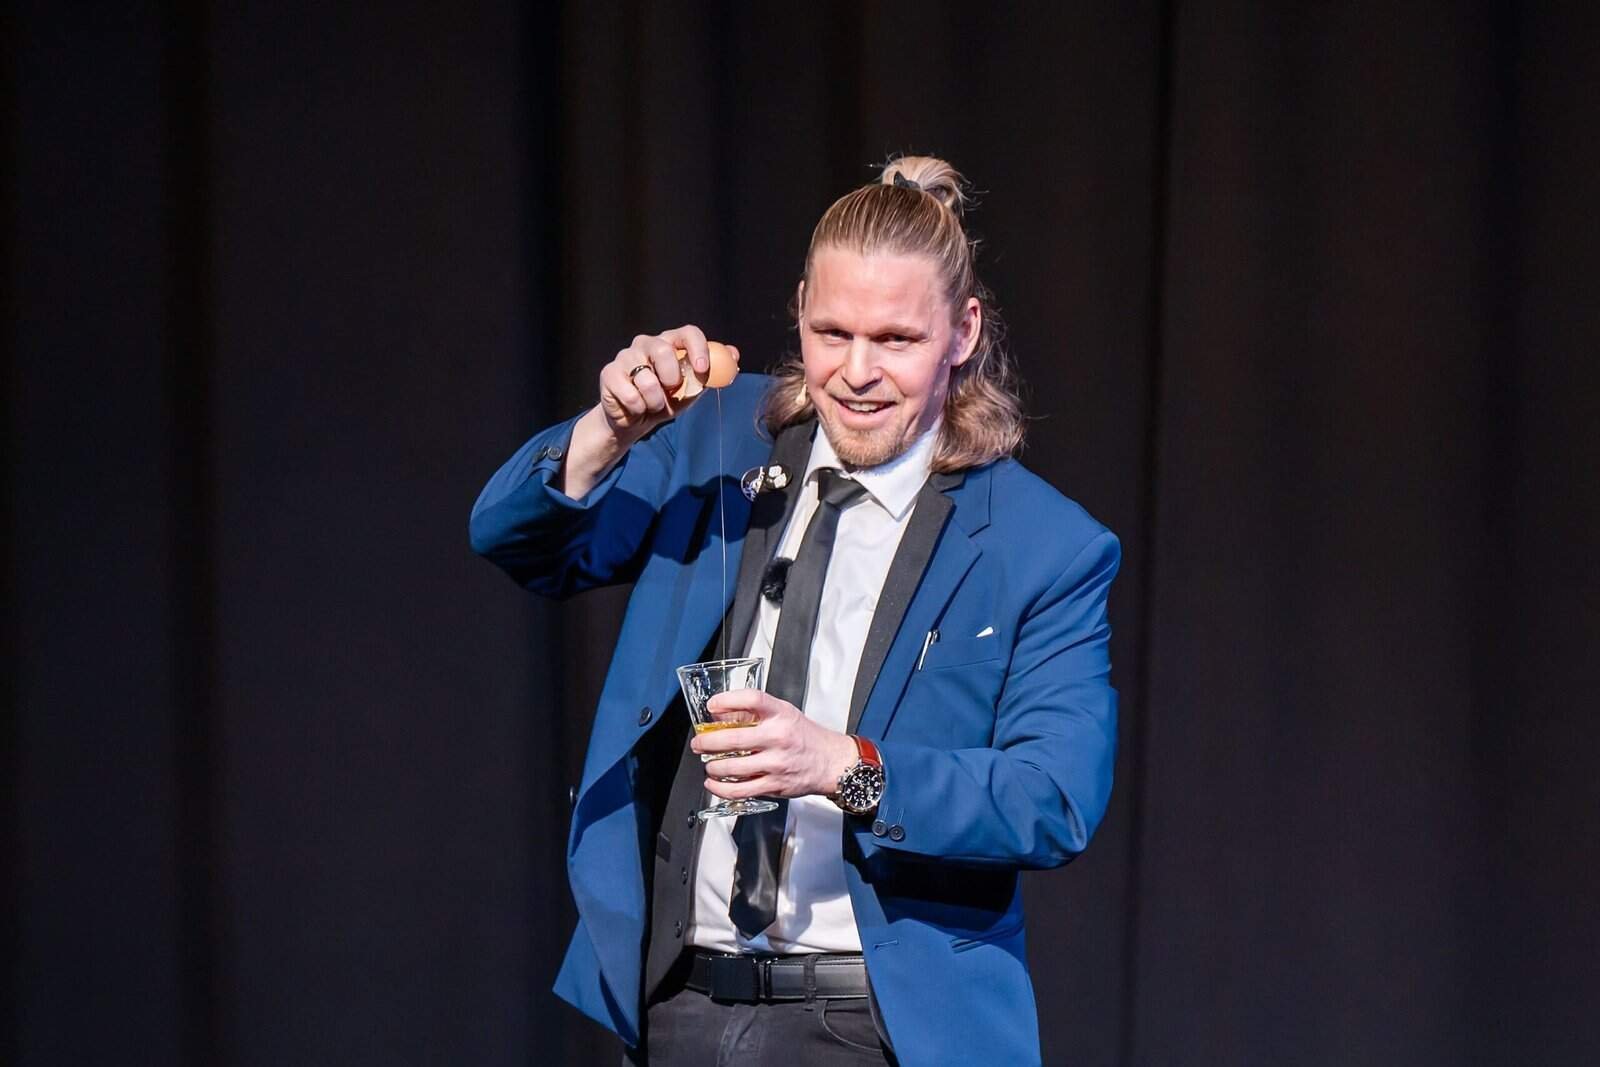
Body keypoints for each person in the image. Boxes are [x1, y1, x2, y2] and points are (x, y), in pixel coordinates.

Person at [470, 155, 1120, 1065]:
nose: (856, 372)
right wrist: (607, 428)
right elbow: (515, 539)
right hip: (681, 1007)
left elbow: (1052, 800)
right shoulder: (716, 436)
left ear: (963, 332)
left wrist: (843, 765)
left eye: (895, 339)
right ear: (799, 309)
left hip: (878, 1022)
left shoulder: (1040, 544)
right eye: (832, 332)